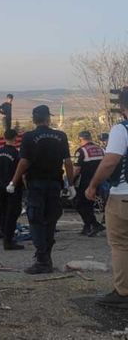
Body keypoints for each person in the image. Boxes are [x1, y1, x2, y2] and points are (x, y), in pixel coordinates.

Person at [8, 105, 75, 274]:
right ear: (48, 119)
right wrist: (71, 184)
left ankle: (42, 261)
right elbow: (67, 162)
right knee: (50, 220)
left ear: (34, 119)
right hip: (55, 184)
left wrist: (13, 181)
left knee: (36, 221)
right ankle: (47, 258)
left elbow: (24, 162)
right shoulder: (60, 136)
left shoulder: (29, 137)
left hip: (36, 184)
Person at [86, 89, 128, 308]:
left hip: (123, 195)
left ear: (122, 108)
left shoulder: (122, 129)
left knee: (121, 244)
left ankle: (123, 292)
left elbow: (110, 161)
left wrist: (93, 185)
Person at [0, 129, 25, 250]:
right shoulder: (16, 153)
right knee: (13, 213)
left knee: (4, 212)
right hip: (13, 187)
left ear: (4, 137)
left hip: (0, 187)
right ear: (15, 138)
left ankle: (6, 236)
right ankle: (8, 241)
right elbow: (21, 171)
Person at [73, 131, 105, 236]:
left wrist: (69, 181)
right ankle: (87, 227)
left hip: (84, 182)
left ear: (80, 139)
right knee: (89, 204)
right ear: (90, 138)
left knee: (79, 204)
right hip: (99, 181)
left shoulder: (81, 151)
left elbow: (77, 169)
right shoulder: (100, 150)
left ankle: (95, 224)